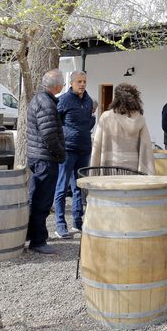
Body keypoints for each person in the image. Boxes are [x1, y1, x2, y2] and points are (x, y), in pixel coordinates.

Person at [26, 69, 66, 255]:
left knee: (37, 197)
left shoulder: (40, 100)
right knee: (42, 200)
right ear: (57, 86)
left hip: (39, 156)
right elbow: (49, 134)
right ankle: (38, 240)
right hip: (44, 158)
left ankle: (33, 235)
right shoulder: (46, 103)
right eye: (63, 83)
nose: (64, 86)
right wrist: (60, 153)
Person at [53, 71, 95, 239]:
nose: (82, 84)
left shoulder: (89, 100)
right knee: (62, 187)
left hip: (84, 149)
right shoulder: (63, 100)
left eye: (84, 81)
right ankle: (60, 225)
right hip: (68, 150)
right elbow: (55, 122)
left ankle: (77, 222)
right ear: (71, 83)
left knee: (79, 188)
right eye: (79, 81)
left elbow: (89, 121)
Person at [90, 83, 155, 173]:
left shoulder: (106, 117)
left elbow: (97, 147)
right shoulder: (139, 119)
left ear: (116, 98)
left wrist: (93, 172)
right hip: (133, 168)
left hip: (111, 166)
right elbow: (146, 148)